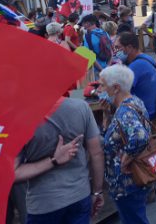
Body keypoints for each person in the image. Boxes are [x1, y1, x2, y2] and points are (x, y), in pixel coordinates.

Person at [15, 95, 105, 223]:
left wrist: (52, 161)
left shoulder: (20, 117)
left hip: (44, 203)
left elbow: (13, 172)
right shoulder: (81, 107)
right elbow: (96, 153)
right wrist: (97, 191)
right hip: (79, 196)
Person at [97, 65, 151, 224]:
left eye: (102, 85)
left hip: (127, 182)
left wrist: (125, 159)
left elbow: (140, 137)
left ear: (115, 88)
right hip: (133, 180)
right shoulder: (133, 100)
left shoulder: (124, 112)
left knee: (134, 219)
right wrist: (107, 114)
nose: (100, 89)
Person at [114, 32, 156, 121]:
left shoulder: (136, 66)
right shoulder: (146, 58)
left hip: (142, 116)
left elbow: (119, 92)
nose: (116, 51)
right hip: (150, 110)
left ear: (130, 47)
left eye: (118, 47)